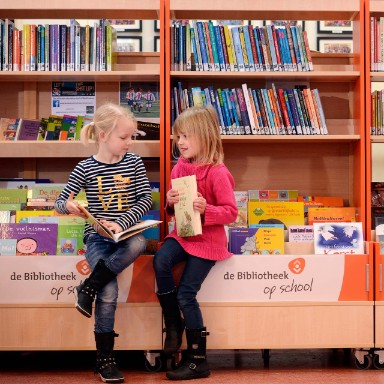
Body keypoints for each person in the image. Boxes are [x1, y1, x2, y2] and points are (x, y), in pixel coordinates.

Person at [54, 102, 152, 384]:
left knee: (138, 245)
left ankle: (88, 287)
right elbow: (60, 203)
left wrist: (122, 223)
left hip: (126, 233)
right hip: (97, 236)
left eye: (132, 137)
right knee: (108, 295)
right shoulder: (84, 168)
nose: (129, 143)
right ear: (103, 135)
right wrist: (69, 206)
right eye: (124, 137)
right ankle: (104, 361)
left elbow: (146, 199)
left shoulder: (133, 163)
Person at [153, 105, 238, 380]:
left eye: (186, 136)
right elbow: (175, 211)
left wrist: (207, 210)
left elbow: (231, 212)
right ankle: (173, 323)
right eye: (178, 137)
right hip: (184, 234)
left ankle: (198, 360)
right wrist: (169, 203)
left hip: (208, 241)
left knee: (186, 295)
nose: (180, 142)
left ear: (205, 136)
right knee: (161, 260)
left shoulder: (218, 172)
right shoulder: (179, 168)